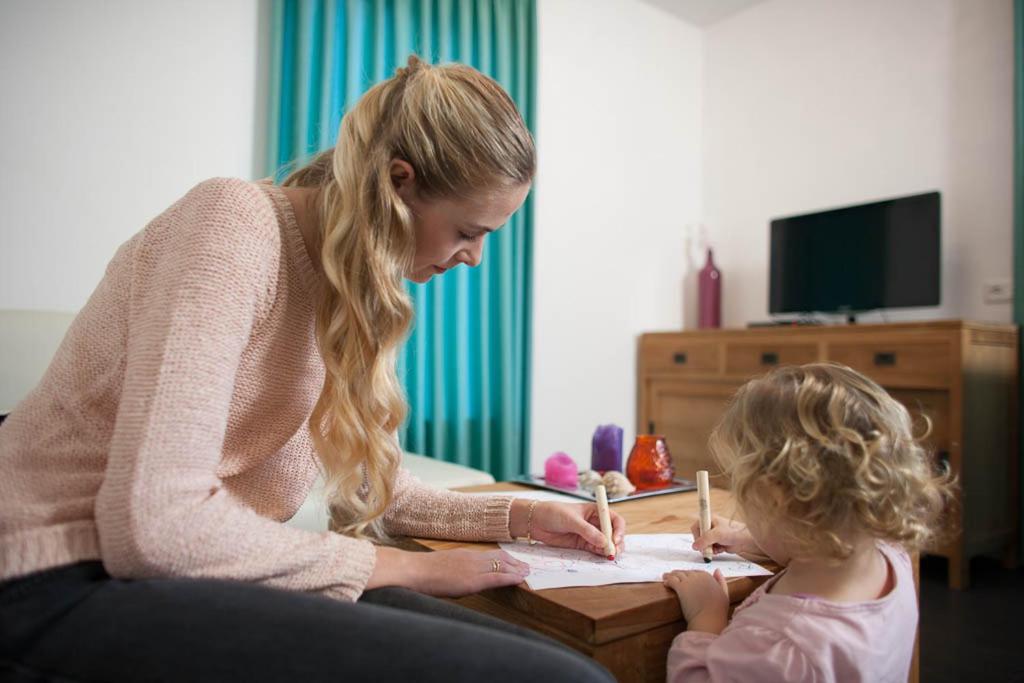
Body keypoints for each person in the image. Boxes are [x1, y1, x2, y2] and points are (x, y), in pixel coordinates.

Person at [0, 56, 622, 683]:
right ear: (398, 184)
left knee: (567, 667)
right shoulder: (231, 224)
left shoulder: (349, 291)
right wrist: (398, 567)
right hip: (49, 576)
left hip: (180, 573)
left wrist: (521, 517)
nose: (475, 259)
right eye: (467, 230)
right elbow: (154, 523)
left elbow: (375, 491)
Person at [662, 362, 953, 682]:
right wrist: (751, 540)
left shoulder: (780, 647)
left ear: (774, 499)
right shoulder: (889, 554)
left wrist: (707, 618)